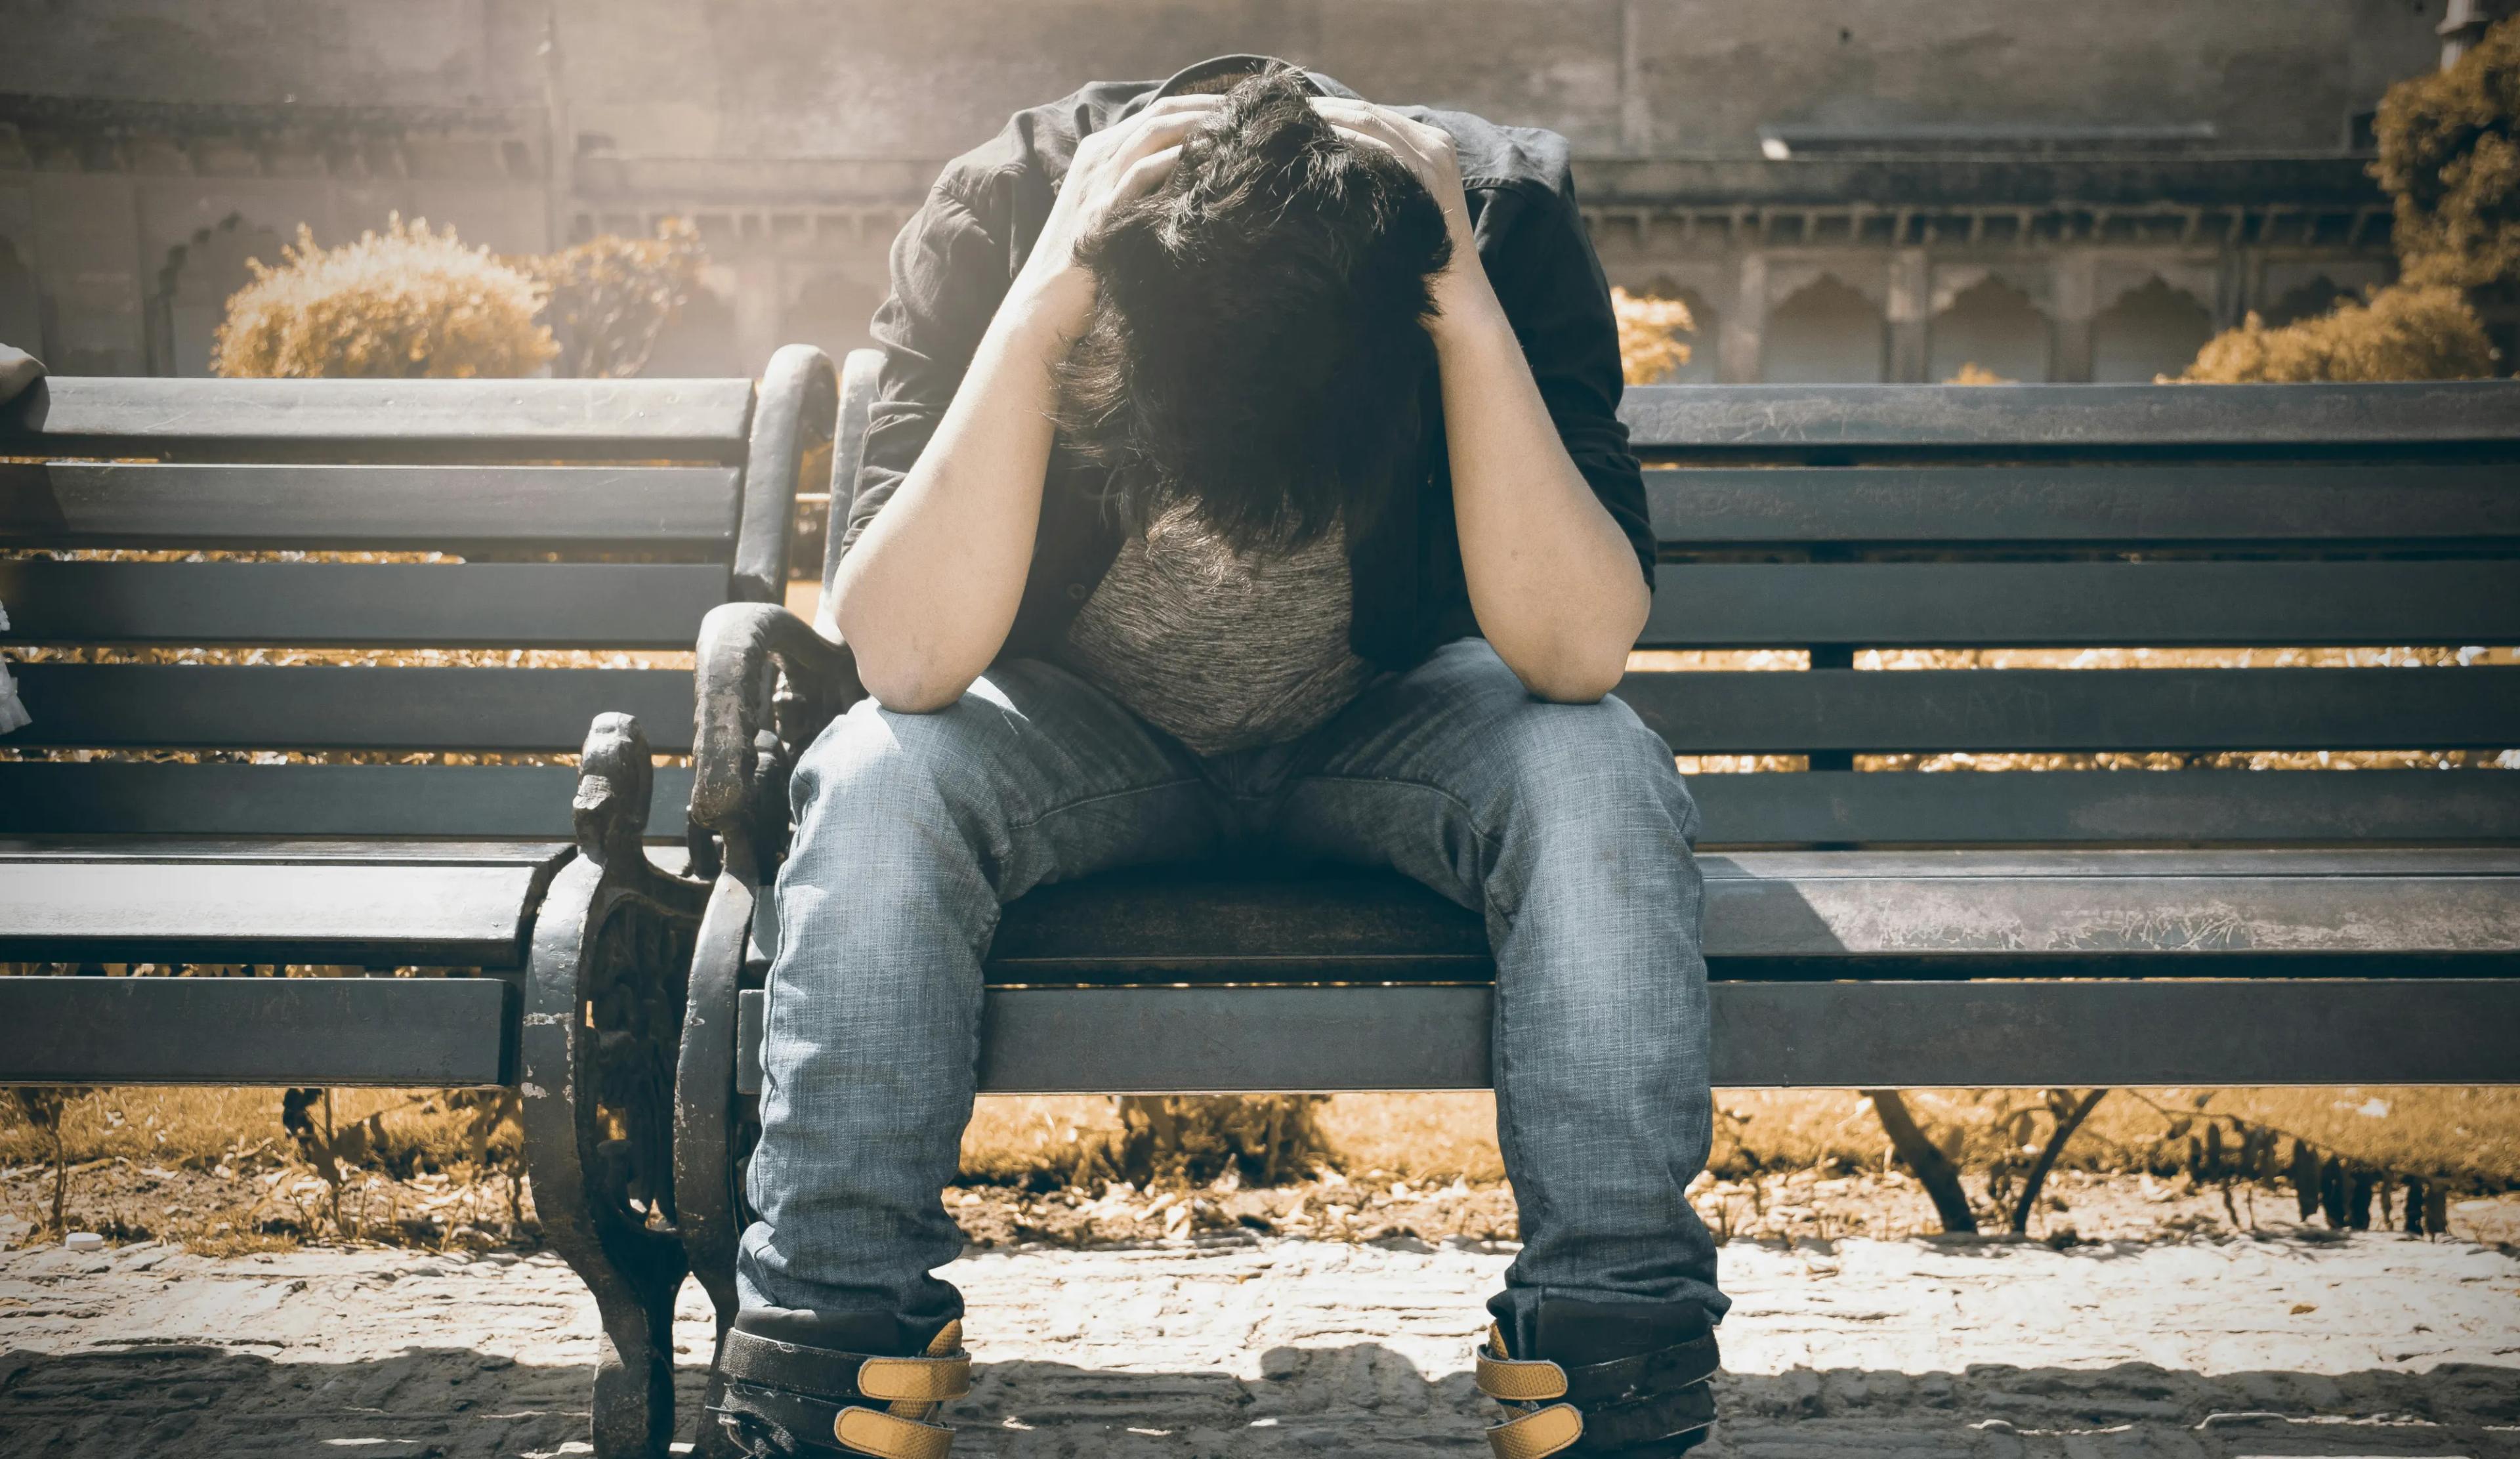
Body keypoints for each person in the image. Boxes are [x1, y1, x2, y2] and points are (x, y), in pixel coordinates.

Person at [711, 55, 1726, 1459]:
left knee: (1595, 767)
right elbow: (904, 660)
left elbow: (1574, 653)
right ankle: (830, 1336)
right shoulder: (1006, 212)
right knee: (881, 778)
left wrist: (1465, 315)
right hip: (1078, 734)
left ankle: (1614, 1337)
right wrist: (1043, 305)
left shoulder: (1498, 224)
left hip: (1389, 723)